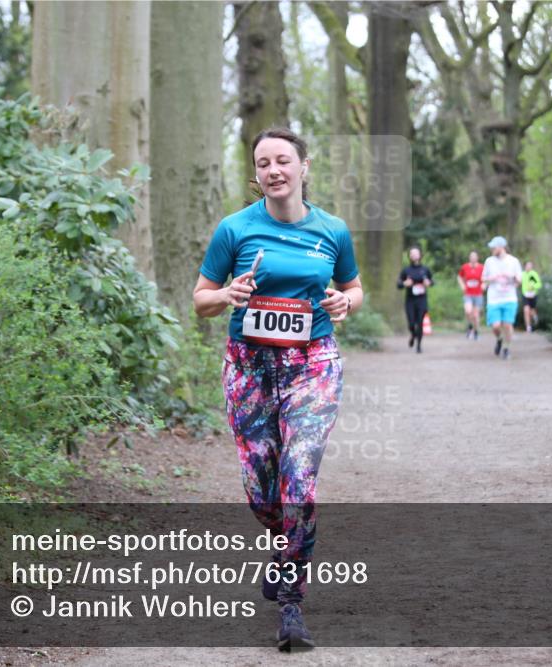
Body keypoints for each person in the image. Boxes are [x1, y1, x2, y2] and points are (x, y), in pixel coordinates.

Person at [193, 127, 363, 652]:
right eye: (263, 162)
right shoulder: (235, 229)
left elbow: (354, 288)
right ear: (255, 173)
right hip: (249, 367)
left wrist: (346, 302)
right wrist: (227, 293)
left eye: (283, 160)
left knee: (299, 478)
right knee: (262, 490)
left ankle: (292, 601)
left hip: (312, 363)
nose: (274, 170)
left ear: (303, 166)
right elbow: (200, 300)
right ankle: (285, 544)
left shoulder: (332, 230)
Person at [482, 236, 522, 360]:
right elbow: (483, 279)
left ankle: (506, 348)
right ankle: (499, 339)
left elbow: (519, 280)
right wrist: (491, 279)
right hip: (494, 299)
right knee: (495, 326)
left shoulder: (513, 261)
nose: (492, 249)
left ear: (501, 247)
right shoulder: (489, 261)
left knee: (507, 325)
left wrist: (512, 277)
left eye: (494, 247)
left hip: (509, 298)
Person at [397, 247, 432, 353]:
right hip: (410, 301)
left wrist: (428, 283)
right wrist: (404, 283)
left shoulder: (425, 269)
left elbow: (432, 281)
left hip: (422, 300)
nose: (414, 255)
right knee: (411, 323)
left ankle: (419, 346)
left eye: (416, 253)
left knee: (420, 323)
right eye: (412, 253)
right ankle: (413, 334)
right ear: (409, 256)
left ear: (420, 255)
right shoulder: (406, 270)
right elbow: (398, 284)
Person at [458, 250, 485, 340]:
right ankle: (470, 326)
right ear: (469, 258)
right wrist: (462, 285)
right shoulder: (465, 267)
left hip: (478, 294)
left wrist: (484, 284)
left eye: (474, 256)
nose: (473, 258)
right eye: (471, 256)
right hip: (468, 293)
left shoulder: (481, 267)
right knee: (468, 311)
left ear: (477, 258)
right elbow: (459, 277)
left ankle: (476, 331)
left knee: (476, 315)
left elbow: (487, 278)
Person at [521, 261, 543, 332]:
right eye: (527, 265)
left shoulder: (534, 274)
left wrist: (533, 286)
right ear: (525, 266)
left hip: (533, 295)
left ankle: (535, 318)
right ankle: (528, 327)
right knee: (526, 310)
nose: (529, 267)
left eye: (530, 265)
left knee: (532, 311)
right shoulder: (522, 274)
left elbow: (539, 284)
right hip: (525, 295)